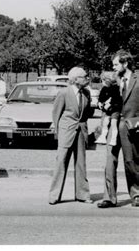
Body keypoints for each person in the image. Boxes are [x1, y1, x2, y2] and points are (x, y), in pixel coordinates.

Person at [97, 50, 139, 208]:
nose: (113, 67)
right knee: (110, 161)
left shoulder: (138, 79)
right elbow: (105, 97)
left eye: (116, 64)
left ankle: (136, 194)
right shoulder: (112, 79)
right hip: (112, 125)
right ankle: (109, 197)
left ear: (125, 63)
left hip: (130, 127)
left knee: (131, 162)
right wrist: (102, 105)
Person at [48, 67, 94, 205]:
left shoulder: (86, 93)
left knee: (81, 164)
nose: (87, 78)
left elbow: (86, 113)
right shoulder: (63, 93)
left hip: (81, 132)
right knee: (61, 162)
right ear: (75, 79)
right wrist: (59, 131)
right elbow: (56, 114)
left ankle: (83, 194)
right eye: (84, 76)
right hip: (66, 132)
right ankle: (54, 195)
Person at [95, 71, 121, 145]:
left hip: (115, 109)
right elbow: (100, 97)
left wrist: (110, 104)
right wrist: (100, 102)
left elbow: (117, 99)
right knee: (105, 123)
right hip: (107, 110)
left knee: (113, 123)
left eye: (103, 81)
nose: (102, 82)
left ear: (108, 80)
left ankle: (113, 138)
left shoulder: (116, 88)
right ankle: (103, 137)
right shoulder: (104, 89)